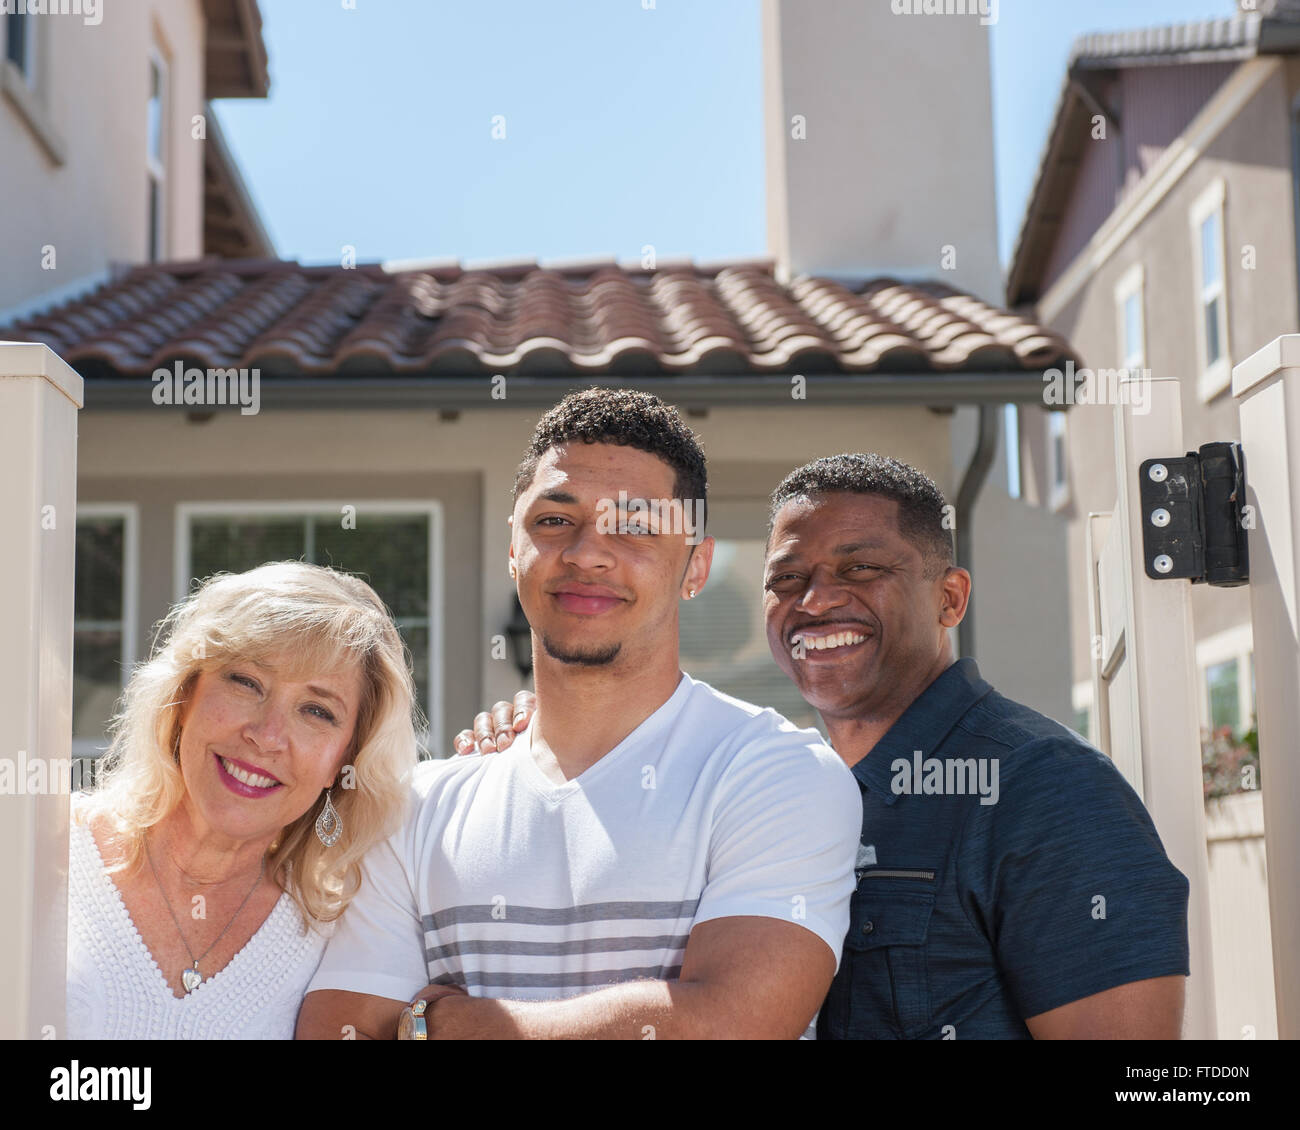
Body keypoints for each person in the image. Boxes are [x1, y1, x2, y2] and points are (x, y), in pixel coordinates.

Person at [461, 452, 1191, 1039]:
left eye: (860, 569)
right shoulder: (766, 784)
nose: (814, 601)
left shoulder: (1048, 790)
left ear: (950, 599)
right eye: (788, 579)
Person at [296, 388, 863, 1039]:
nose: (588, 551)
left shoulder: (777, 775)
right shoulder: (415, 808)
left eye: (636, 526)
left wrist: (444, 1023)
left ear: (696, 567)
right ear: (513, 548)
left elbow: (728, 1024)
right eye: (554, 521)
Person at [67, 561, 420, 1039]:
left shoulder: (339, 936)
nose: (267, 736)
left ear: (346, 759)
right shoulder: (39, 849)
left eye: (316, 711)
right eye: (245, 682)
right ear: (185, 692)